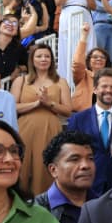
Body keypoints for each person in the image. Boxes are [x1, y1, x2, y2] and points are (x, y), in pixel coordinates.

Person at [12, 43, 72, 195]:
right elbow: (12, 107)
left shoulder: (60, 82)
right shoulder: (21, 81)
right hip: (25, 128)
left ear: (52, 60)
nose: (43, 59)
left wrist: (49, 103)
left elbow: (67, 110)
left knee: (45, 168)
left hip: (50, 128)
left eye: (47, 56)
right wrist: (36, 103)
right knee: (22, 166)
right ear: (32, 60)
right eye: (39, 56)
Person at [67, 69, 112, 197]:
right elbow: (69, 151)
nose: (109, 90)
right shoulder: (78, 119)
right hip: (87, 184)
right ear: (95, 89)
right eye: (104, 86)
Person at [56, 0, 95, 91]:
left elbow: (93, 6)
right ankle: (67, 84)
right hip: (68, 17)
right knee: (69, 49)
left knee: (87, 47)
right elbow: (58, 1)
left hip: (85, 17)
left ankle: (87, 82)